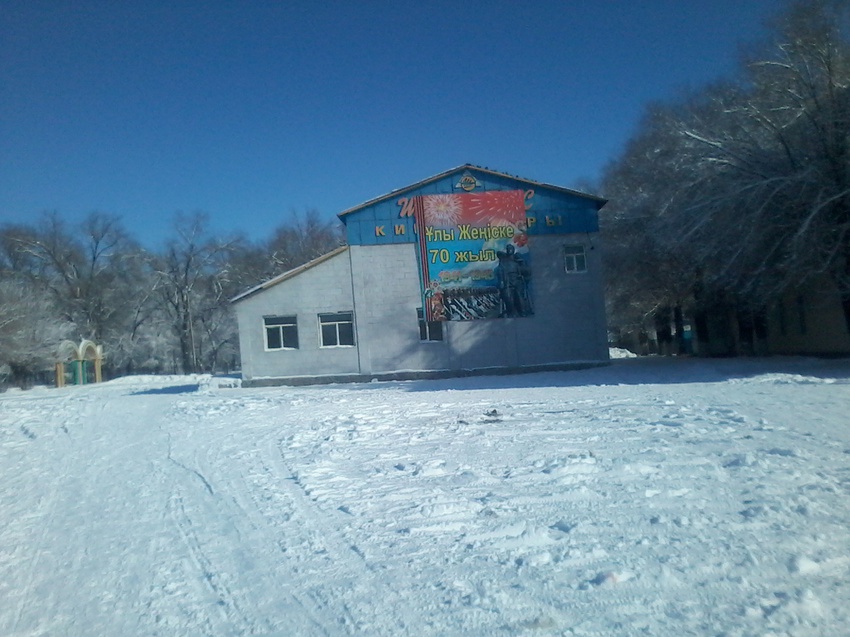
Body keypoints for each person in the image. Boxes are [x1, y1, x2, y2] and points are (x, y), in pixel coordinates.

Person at [495, 244, 531, 317]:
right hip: (507, 282)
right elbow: (499, 270)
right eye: (508, 248)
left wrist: (522, 264)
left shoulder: (517, 259)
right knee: (508, 298)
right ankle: (511, 313)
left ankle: (522, 312)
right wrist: (501, 281)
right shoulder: (503, 260)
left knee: (519, 297)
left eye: (511, 248)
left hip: (517, 281)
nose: (509, 250)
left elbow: (526, 271)